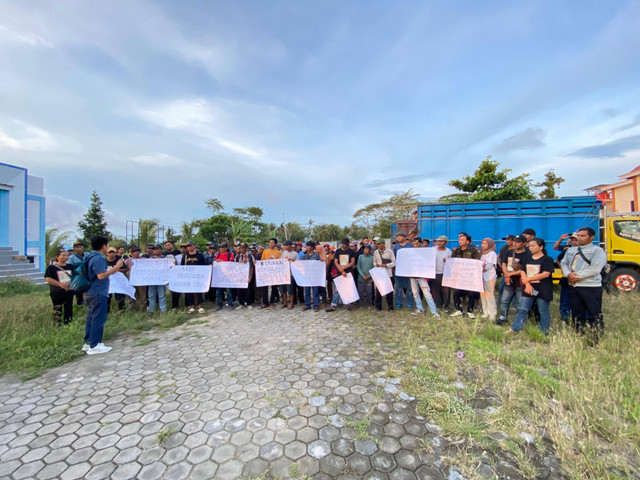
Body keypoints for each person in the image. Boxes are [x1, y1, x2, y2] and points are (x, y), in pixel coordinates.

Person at [560, 227, 607, 339]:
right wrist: (568, 274)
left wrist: (578, 276)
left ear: (591, 237)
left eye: (583, 236)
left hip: (590, 286)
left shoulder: (597, 251)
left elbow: (596, 268)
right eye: (578, 236)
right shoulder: (571, 250)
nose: (579, 238)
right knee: (577, 312)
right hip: (574, 286)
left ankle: (596, 337)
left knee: (594, 312)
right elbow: (564, 263)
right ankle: (579, 334)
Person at [83, 235, 124, 355]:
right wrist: (116, 268)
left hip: (89, 291)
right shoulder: (99, 258)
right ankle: (94, 345)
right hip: (98, 291)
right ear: (103, 246)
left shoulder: (89, 256)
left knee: (90, 317)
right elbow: (101, 275)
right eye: (107, 245)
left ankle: (88, 342)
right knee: (98, 318)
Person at [506, 238, 554, 334]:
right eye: (530, 246)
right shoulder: (527, 258)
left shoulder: (547, 259)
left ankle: (544, 331)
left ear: (541, 247)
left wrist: (528, 279)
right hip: (528, 288)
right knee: (522, 309)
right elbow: (523, 271)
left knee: (543, 310)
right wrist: (527, 283)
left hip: (543, 289)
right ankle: (515, 328)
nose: (530, 248)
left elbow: (545, 274)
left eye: (533, 246)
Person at [498, 235, 529, 325]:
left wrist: (509, 274)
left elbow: (524, 269)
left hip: (520, 280)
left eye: (518, 242)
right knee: (505, 299)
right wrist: (506, 275)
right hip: (508, 279)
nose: (515, 243)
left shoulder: (527, 255)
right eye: (514, 241)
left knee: (520, 301)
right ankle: (503, 317)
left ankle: (519, 319)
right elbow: (504, 263)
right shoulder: (509, 253)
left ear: (524, 244)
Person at [450, 233, 481, 318]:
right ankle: (458, 309)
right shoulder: (456, 251)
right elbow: (452, 261)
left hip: (469, 276)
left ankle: (470, 311)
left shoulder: (473, 251)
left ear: (467, 241)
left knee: (471, 293)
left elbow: (477, 262)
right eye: (459, 240)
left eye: (462, 240)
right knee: (456, 292)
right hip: (458, 276)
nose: (460, 241)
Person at [326, 238, 357, 312]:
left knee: (348, 289)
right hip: (339, 272)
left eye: (344, 244)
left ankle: (348, 304)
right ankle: (333, 305)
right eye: (342, 243)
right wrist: (340, 269)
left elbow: (352, 262)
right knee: (337, 289)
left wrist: (344, 268)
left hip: (348, 272)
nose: (343, 245)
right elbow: (336, 262)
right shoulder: (338, 251)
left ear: (347, 244)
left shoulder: (351, 251)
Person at [44, 250, 75, 325]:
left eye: (67, 255)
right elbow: (48, 278)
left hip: (69, 291)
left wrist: (69, 284)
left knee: (69, 308)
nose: (65, 257)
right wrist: (60, 284)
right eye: (63, 255)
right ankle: (57, 323)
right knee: (57, 308)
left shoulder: (70, 266)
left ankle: (68, 323)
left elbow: (75, 277)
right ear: (58, 257)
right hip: (57, 291)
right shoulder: (52, 267)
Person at [554, 233, 578, 322]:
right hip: (566, 278)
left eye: (576, 240)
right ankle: (565, 317)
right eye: (573, 240)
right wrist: (565, 270)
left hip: (580, 279)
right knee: (565, 299)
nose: (574, 242)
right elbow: (558, 259)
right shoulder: (567, 250)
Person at [181, 241, 207, 313]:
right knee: (189, 292)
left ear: (194, 246)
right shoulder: (185, 256)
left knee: (198, 291)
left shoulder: (200, 255)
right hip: (188, 277)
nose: (189, 247)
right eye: (187, 246)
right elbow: (182, 266)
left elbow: (204, 265)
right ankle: (192, 306)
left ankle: (200, 306)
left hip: (198, 277)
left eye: (190, 246)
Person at [393, 232, 414, 310]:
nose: (398, 238)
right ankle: (398, 303)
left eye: (400, 236)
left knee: (409, 287)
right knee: (398, 287)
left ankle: (410, 303)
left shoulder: (410, 246)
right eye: (398, 236)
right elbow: (394, 258)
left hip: (408, 270)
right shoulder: (396, 247)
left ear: (405, 237)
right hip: (398, 270)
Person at [429, 235, 451, 311]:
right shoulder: (432, 249)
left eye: (441, 241)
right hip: (435, 273)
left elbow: (451, 262)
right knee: (435, 290)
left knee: (446, 290)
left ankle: (445, 306)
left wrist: (447, 261)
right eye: (438, 241)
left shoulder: (448, 251)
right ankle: (438, 305)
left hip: (445, 273)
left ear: (445, 242)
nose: (439, 243)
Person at [373, 239, 395, 312]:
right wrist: (376, 265)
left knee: (389, 291)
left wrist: (386, 265)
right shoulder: (376, 252)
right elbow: (374, 262)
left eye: (379, 244)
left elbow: (394, 263)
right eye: (377, 244)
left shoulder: (389, 251)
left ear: (383, 244)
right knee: (378, 291)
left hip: (388, 274)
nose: (378, 245)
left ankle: (390, 307)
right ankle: (378, 307)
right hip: (379, 274)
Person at [260, 238, 282, 308]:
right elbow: (262, 261)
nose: (271, 244)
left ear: (275, 244)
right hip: (266, 272)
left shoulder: (278, 253)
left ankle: (272, 302)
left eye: (272, 242)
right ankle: (265, 302)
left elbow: (280, 262)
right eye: (270, 242)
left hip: (274, 272)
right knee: (264, 287)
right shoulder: (265, 251)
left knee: (274, 288)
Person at [479, 238, 498, 320]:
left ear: (490, 245)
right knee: (482, 294)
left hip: (489, 276)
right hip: (481, 277)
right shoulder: (481, 253)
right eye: (482, 243)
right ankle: (485, 312)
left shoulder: (492, 253)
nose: (483, 245)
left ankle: (492, 313)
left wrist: (482, 269)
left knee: (490, 294)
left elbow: (490, 265)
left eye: (485, 244)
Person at [125, 245, 147, 311]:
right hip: (131, 280)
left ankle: (142, 308)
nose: (136, 253)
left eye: (138, 251)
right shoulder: (127, 261)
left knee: (142, 294)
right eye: (135, 252)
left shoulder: (144, 260)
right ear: (131, 253)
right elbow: (124, 269)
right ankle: (132, 308)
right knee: (132, 294)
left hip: (141, 281)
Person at [105, 247, 127, 313]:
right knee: (107, 298)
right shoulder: (104, 262)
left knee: (120, 297)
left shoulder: (119, 261)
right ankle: (106, 312)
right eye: (110, 252)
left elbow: (125, 269)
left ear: (115, 253)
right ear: (107, 254)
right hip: (108, 283)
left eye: (113, 252)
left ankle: (122, 311)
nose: (112, 254)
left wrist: (116, 269)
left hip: (118, 283)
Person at [214, 242, 235, 311]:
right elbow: (215, 264)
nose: (221, 249)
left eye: (223, 247)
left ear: (226, 248)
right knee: (219, 291)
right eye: (220, 247)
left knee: (229, 291)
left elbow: (231, 264)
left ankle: (230, 304)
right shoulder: (217, 255)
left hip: (228, 276)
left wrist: (222, 261)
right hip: (220, 276)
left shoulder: (230, 255)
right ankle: (219, 305)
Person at [301, 242, 321, 311]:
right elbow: (300, 265)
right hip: (306, 276)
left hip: (314, 276)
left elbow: (319, 266)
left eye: (308, 246)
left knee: (315, 291)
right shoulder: (304, 256)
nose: (306, 248)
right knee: (307, 291)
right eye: (306, 246)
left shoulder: (317, 256)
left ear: (312, 247)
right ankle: (307, 305)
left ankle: (316, 305)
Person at [163, 241, 183, 310]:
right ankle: (174, 301)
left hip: (176, 272)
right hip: (168, 273)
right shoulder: (164, 254)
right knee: (171, 288)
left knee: (177, 288)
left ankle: (178, 301)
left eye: (169, 244)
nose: (167, 246)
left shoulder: (177, 252)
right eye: (166, 245)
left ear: (172, 245)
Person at [147, 244, 167, 313]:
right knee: (151, 296)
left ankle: (163, 310)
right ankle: (151, 310)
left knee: (162, 295)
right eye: (154, 249)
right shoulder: (150, 259)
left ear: (161, 250)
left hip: (161, 280)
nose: (156, 251)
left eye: (157, 249)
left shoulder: (165, 259)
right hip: (151, 280)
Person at [234, 243, 254, 309]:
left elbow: (252, 267)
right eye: (239, 247)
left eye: (242, 247)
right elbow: (234, 265)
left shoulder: (250, 256)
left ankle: (249, 303)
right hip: (239, 276)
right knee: (239, 290)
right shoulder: (237, 256)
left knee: (248, 290)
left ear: (245, 248)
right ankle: (241, 303)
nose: (240, 249)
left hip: (247, 275)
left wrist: (250, 277)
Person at [280, 240, 298, 310]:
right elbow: (281, 261)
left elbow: (298, 263)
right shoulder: (284, 253)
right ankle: (285, 303)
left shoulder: (295, 254)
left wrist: (292, 261)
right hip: (284, 273)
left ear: (290, 246)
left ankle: (291, 303)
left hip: (291, 274)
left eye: (286, 245)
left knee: (290, 289)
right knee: (283, 289)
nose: (284, 246)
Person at [68, 240, 86, 305]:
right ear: (74, 248)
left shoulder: (87, 255)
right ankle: (79, 306)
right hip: (77, 277)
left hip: (87, 277)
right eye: (77, 247)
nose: (79, 248)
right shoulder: (71, 258)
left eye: (80, 246)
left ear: (82, 247)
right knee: (78, 293)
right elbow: (70, 268)